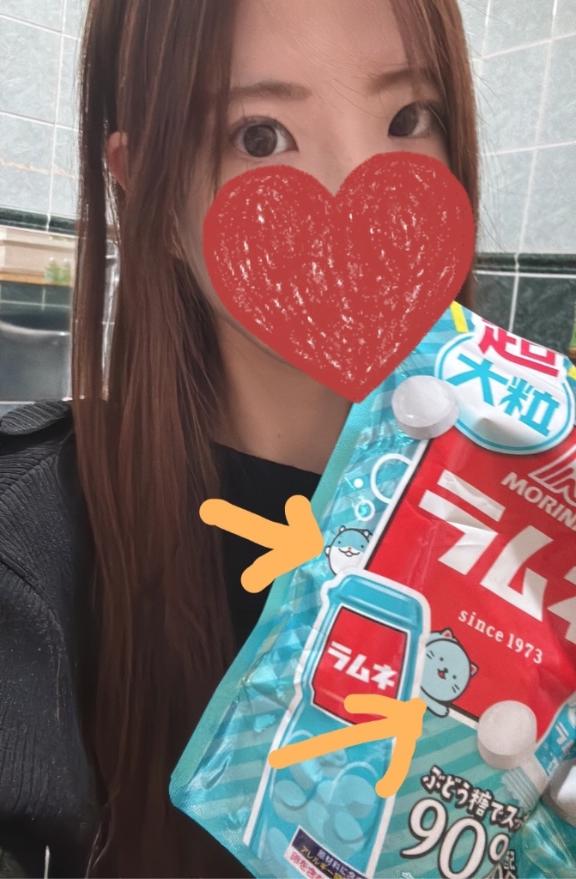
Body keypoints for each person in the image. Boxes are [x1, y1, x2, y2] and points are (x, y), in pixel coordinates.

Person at [0, 0, 478, 876]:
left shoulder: (533, 514)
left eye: (410, 118)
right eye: (261, 136)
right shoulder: (30, 542)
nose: (363, 194)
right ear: (143, 185)